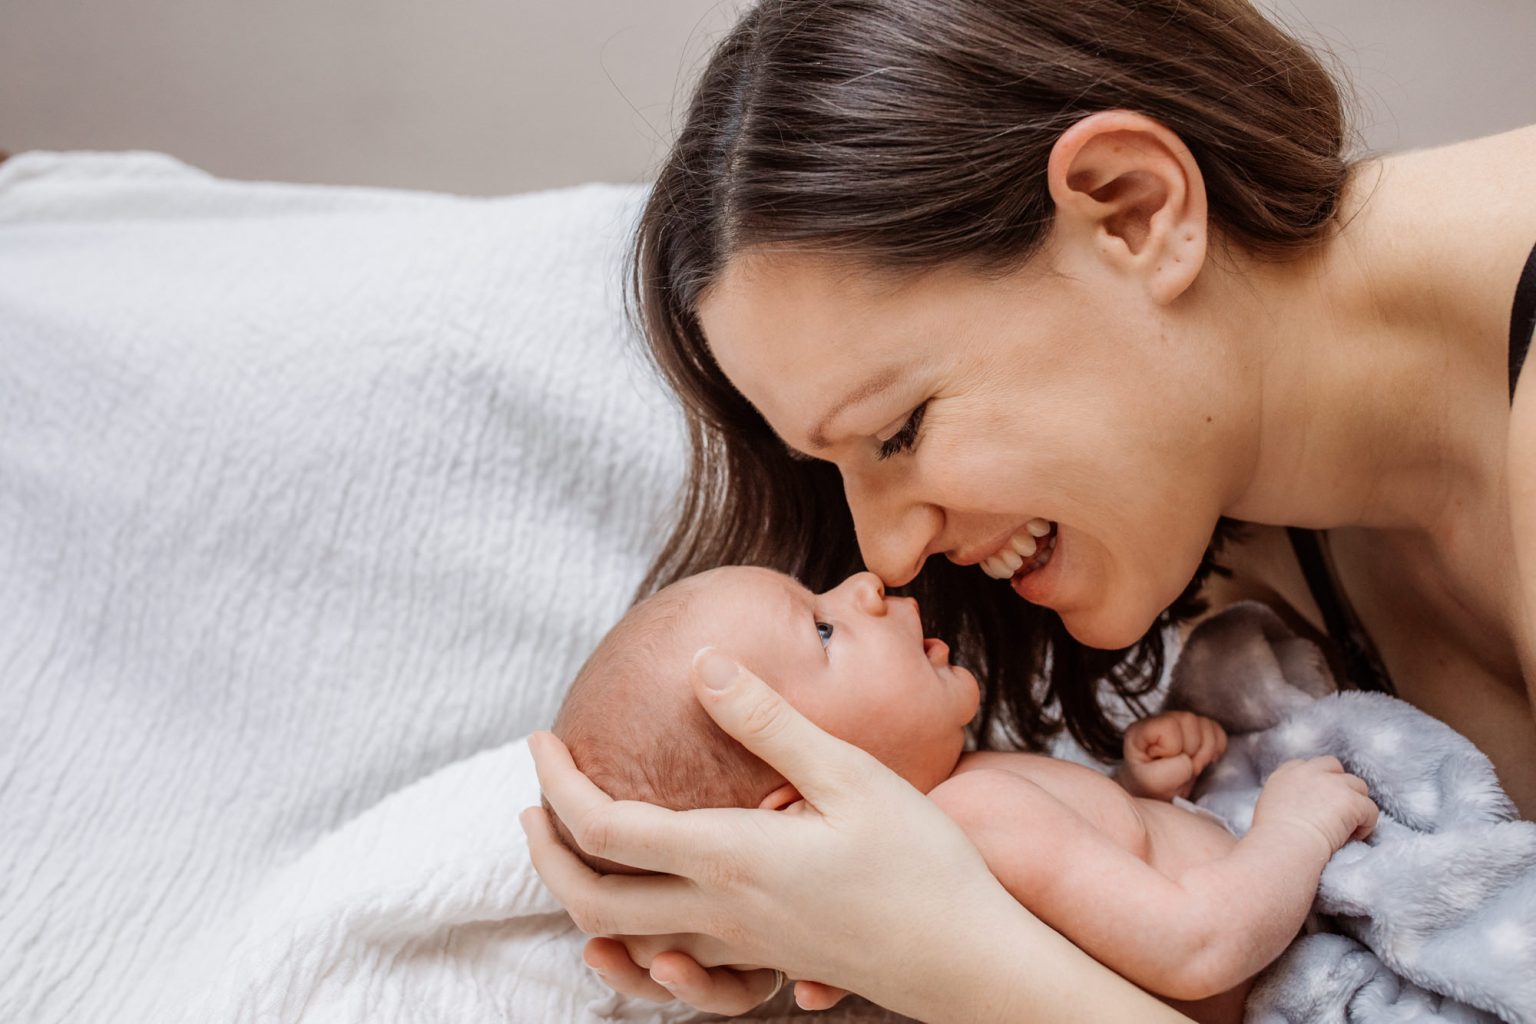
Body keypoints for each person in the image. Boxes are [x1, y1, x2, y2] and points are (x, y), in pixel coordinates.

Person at [524, 0, 1536, 1017]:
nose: (887, 558)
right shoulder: (1229, 549)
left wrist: (948, 956)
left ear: (1132, 209)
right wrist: (784, 915)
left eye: (899, 431)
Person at [543, 565, 1378, 1023]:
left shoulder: (971, 803)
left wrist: (1135, 797)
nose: (864, 586)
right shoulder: (975, 820)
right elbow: (1199, 948)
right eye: (823, 630)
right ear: (797, 806)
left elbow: (1093, 907)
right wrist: (1296, 828)